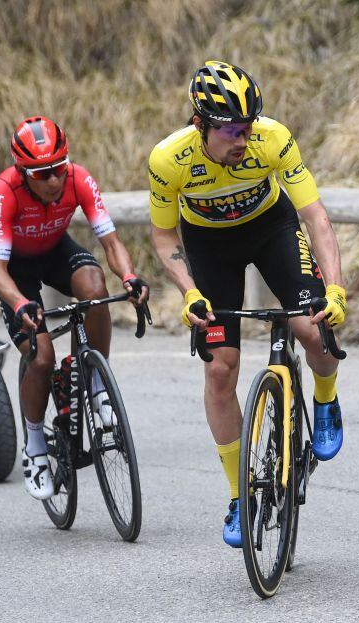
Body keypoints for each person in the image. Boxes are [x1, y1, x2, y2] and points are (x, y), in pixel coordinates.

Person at [147, 60, 347, 547]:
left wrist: (336, 288)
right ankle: (241, 495)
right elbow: (162, 234)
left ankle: (325, 399)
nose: (242, 138)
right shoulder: (168, 160)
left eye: (248, 126)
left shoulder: (273, 139)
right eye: (232, 130)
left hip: (271, 230)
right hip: (210, 247)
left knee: (311, 328)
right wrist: (188, 290)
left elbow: (314, 217)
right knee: (220, 370)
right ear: (201, 124)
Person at [0, 116, 149, 500]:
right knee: (41, 358)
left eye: (59, 168)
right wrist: (19, 301)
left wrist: (129, 276)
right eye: (42, 173)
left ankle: (96, 385)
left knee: (95, 290)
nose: (54, 179)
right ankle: (36, 445)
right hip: (16, 270)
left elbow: (109, 241)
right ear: (23, 172)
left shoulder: (78, 178)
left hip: (56, 251)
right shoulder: (3, 191)